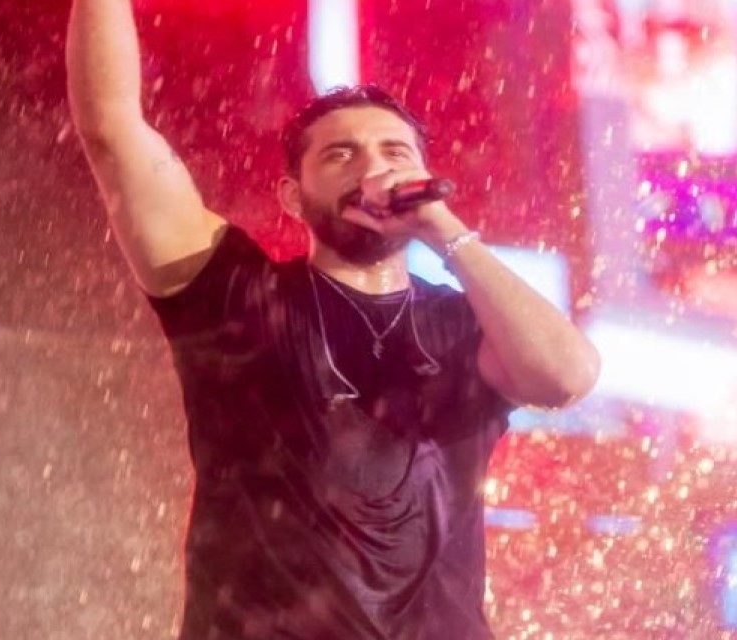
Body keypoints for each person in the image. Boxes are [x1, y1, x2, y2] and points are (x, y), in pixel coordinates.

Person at [66, 2, 601, 638]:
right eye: (340, 155)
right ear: (292, 194)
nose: (372, 169)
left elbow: (565, 377)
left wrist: (443, 229)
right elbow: (111, 130)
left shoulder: (464, 326)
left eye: (394, 152)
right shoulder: (237, 296)